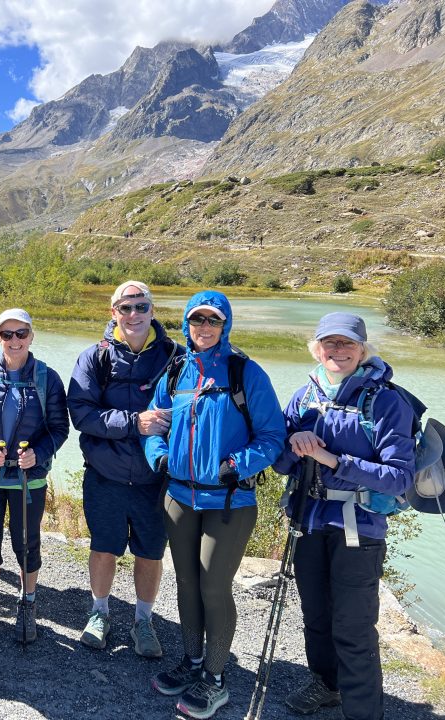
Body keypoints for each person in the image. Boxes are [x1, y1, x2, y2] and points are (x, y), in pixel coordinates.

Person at [144, 290, 285, 719]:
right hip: (178, 496)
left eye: (213, 321)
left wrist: (234, 466)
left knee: (212, 586)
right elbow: (154, 424)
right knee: (185, 583)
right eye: (197, 320)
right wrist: (160, 457)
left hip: (229, 500)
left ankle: (216, 678)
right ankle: (191, 662)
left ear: (226, 326)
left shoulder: (245, 373)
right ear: (186, 324)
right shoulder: (177, 371)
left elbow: (273, 437)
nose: (204, 328)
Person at [272, 313, 415, 720]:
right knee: (316, 617)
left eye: (347, 344)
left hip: (359, 528)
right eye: (329, 344)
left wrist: (332, 459)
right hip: (308, 523)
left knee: (353, 629)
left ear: (362, 350)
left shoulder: (386, 402)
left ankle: (363, 712)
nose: (337, 351)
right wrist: (292, 444)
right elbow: (282, 464)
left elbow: (399, 476)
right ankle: (326, 685)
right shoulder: (303, 397)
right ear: (317, 349)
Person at [67, 280, 181, 656]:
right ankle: (99, 613)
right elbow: (82, 414)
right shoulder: (93, 358)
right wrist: (136, 422)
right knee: (104, 547)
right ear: (113, 312)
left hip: (155, 478)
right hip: (106, 475)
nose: (133, 315)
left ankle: (143, 621)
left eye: (141, 307)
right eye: (125, 307)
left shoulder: (175, 357)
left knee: (150, 551)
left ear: (152, 310)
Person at [0, 308, 69, 643]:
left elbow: (59, 428)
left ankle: (28, 603)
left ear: (32, 336)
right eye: (7, 334)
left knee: (26, 543)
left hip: (28, 478)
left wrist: (38, 453)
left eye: (21, 333)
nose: (14, 340)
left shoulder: (47, 378)